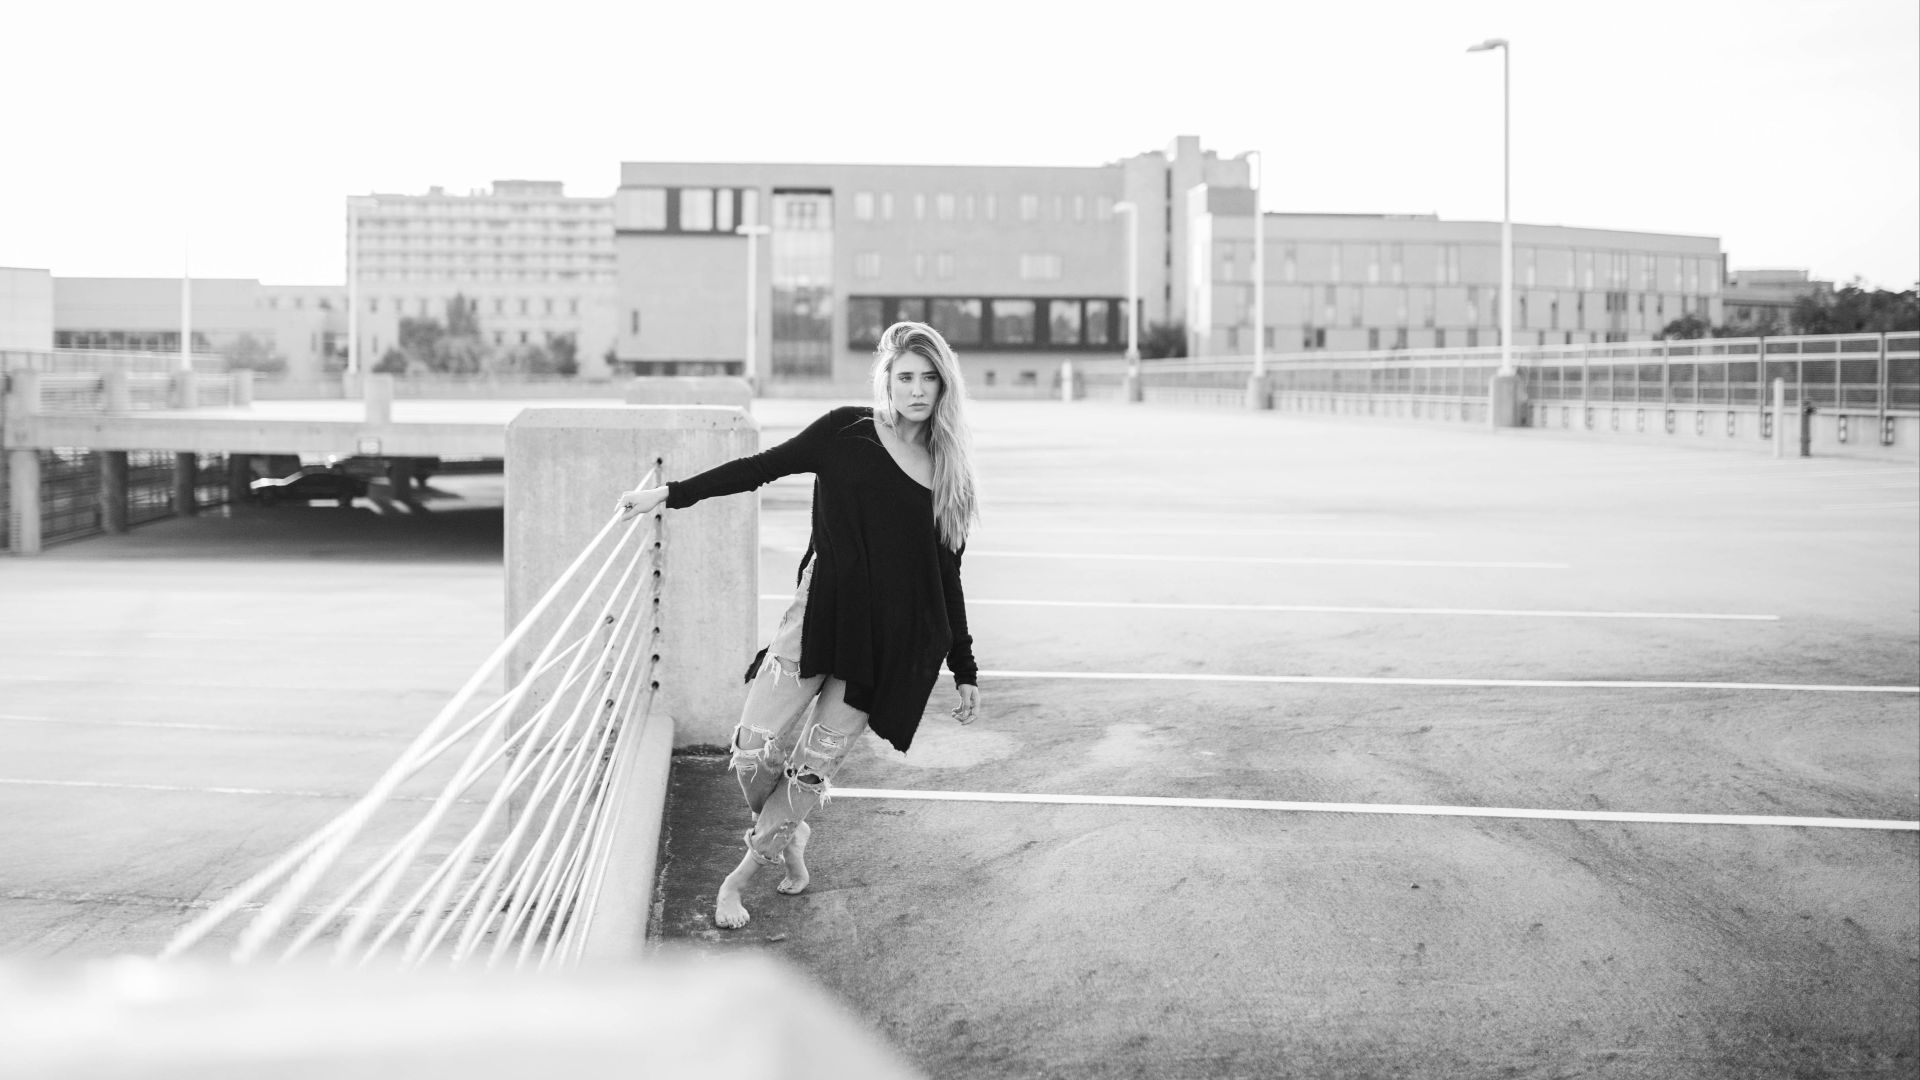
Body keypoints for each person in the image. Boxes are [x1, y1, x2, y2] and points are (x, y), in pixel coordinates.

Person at [615, 321, 982, 929]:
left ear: (945, 388)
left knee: (810, 771)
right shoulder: (845, 430)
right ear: (886, 380)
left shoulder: (949, 474)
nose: (917, 390)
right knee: (750, 749)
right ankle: (790, 829)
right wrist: (669, 494)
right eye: (905, 377)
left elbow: (948, 580)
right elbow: (760, 467)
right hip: (816, 619)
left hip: (884, 650)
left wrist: (964, 667)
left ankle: (739, 880)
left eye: (929, 379)